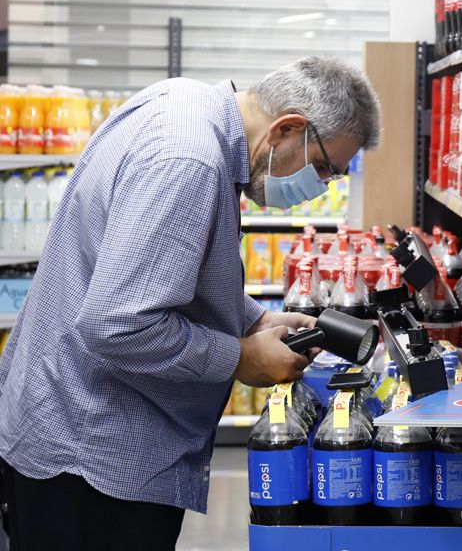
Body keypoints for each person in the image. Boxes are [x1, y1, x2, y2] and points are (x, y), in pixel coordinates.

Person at [0, 57, 382, 550]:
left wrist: (255, 319)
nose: (322, 187)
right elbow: (118, 324)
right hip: (94, 461)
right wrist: (241, 357)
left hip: (70, 428)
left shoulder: (182, 102)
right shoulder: (190, 161)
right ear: (287, 129)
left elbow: (161, 272)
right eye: (325, 168)